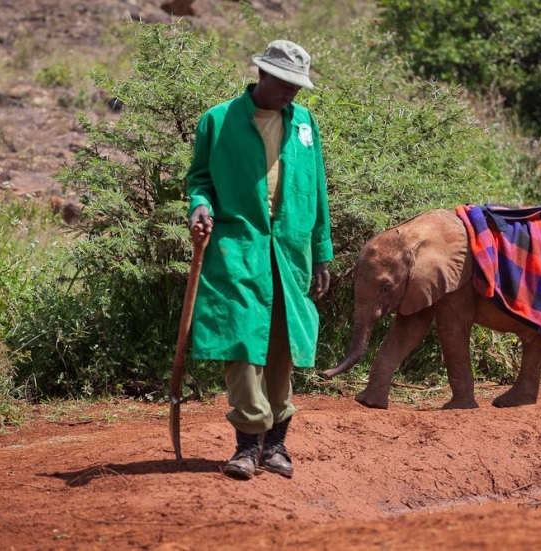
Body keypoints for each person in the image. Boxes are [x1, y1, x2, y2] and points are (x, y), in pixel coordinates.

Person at [185, 40, 333, 480]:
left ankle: (277, 445)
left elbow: (318, 192)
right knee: (243, 340)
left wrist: (322, 253)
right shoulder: (218, 120)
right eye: (284, 84)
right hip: (238, 246)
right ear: (262, 74)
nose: (291, 94)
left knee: (284, 345)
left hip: (291, 249)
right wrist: (199, 205)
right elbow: (200, 179)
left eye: (297, 87)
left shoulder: (305, 123)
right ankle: (249, 444)